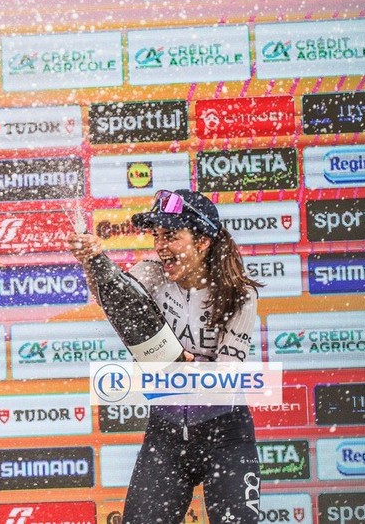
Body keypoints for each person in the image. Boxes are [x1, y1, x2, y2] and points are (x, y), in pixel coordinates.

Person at [69, 189, 262, 524]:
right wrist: (92, 260)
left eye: (171, 236)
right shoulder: (152, 273)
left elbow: (227, 378)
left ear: (202, 241)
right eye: (156, 236)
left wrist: (183, 366)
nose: (160, 246)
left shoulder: (239, 295)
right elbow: (112, 296)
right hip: (167, 435)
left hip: (226, 435)